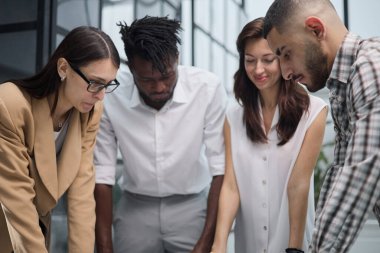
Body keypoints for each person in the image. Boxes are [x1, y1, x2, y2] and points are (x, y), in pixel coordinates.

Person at [94, 16, 227, 253]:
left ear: (177, 59)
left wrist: (207, 242)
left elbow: (220, 168)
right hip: (135, 207)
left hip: (192, 205)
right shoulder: (111, 97)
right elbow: (102, 174)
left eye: (167, 76)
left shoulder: (207, 88)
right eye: (147, 80)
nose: (159, 87)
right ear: (131, 69)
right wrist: (104, 247)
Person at [263, 0, 380, 252]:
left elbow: (361, 173)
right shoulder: (343, 84)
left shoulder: (370, 66)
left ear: (316, 30)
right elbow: (339, 170)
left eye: (286, 54)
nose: (284, 73)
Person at [211, 17, 327, 253]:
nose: (258, 70)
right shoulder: (233, 117)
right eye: (250, 61)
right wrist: (219, 244)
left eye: (267, 60)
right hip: (249, 243)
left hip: (294, 241)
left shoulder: (313, 112)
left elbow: (299, 184)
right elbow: (231, 186)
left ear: (284, 59)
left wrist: (294, 249)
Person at [0, 26, 120, 253]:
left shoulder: (89, 112)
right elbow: (17, 203)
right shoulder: (9, 105)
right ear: (63, 68)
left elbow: (82, 196)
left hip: (34, 232)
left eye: (108, 85)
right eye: (95, 82)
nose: (101, 95)